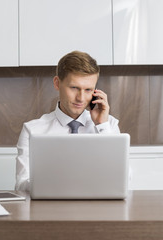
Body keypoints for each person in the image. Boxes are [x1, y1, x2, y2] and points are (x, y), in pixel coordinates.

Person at [15, 51, 120, 192]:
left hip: (97, 209)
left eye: (88, 90)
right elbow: (21, 185)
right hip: (50, 209)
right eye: (74, 88)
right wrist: (56, 182)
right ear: (57, 83)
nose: (81, 98)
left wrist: (102, 126)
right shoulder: (32, 130)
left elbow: (123, 180)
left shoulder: (109, 125)